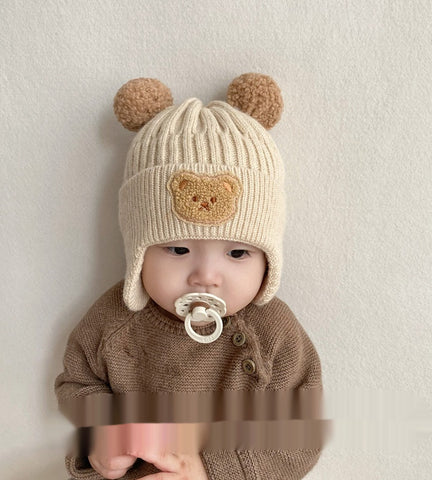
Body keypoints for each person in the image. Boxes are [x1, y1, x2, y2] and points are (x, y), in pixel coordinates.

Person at [55, 72, 326, 480]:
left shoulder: (274, 334)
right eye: (178, 250)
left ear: (268, 259)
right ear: (139, 251)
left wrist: (209, 468)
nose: (206, 276)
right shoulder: (116, 322)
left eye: (237, 253)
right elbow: (78, 383)